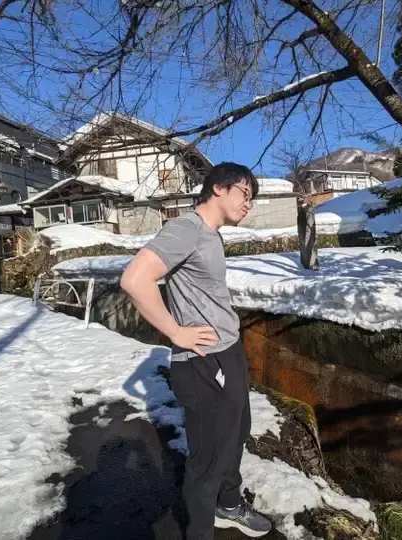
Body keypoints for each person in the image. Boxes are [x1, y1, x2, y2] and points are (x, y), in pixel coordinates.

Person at [120, 162, 272, 540]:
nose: (249, 203)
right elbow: (135, 279)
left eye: (252, 197)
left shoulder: (211, 234)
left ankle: (229, 504)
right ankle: (200, 532)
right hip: (203, 362)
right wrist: (175, 332)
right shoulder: (185, 228)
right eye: (245, 193)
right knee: (208, 458)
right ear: (218, 188)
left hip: (228, 352)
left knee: (236, 434)